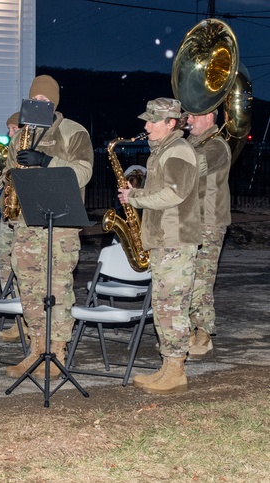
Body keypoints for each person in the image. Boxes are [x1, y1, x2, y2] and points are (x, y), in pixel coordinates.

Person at [3, 75, 93, 379]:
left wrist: (46, 160)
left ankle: (56, 351)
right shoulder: (20, 137)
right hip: (26, 225)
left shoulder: (73, 132)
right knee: (28, 290)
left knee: (57, 290)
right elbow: (9, 175)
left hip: (61, 226)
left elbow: (83, 172)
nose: (39, 105)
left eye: (45, 101)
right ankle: (36, 349)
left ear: (54, 103)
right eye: (34, 100)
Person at [118, 97, 200, 394]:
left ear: (171, 123)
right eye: (147, 119)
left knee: (172, 308)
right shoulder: (162, 151)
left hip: (176, 241)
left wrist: (136, 199)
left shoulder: (177, 151)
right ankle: (168, 366)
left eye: (153, 120)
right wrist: (137, 191)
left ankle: (176, 371)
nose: (146, 125)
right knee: (163, 307)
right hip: (165, 241)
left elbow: (175, 194)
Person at [185, 108, 230, 361]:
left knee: (202, 278)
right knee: (188, 278)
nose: (188, 120)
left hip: (209, 221)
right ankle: (187, 331)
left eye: (193, 116)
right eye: (187, 115)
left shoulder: (217, 146)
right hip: (189, 220)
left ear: (210, 116)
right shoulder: (190, 143)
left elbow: (195, 166)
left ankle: (203, 333)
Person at [0, 112, 24, 342]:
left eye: (14, 129)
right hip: (6, 217)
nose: (10, 133)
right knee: (6, 267)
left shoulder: (26, 153)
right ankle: (17, 321)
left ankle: (29, 319)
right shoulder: (7, 154)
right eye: (9, 129)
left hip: (24, 218)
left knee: (23, 270)